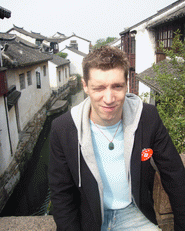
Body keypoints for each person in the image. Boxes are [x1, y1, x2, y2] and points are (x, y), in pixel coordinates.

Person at [48, 46, 185, 231]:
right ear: (85, 86)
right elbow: (61, 194)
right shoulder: (63, 129)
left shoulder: (147, 117)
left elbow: (174, 175)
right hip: (89, 219)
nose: (109, 98)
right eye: (99, 88)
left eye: (117, 86)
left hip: (135, 214)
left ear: (127, 84)